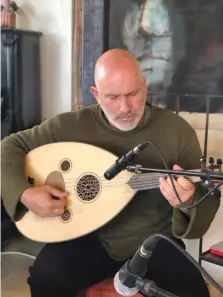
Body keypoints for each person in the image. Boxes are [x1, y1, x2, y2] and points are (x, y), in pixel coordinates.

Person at [1, 49, 220, 297]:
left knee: (194, 292)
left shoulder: (177, 132)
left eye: (132, 94)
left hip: (154, 242)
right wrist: (25, 192)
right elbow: (8, 147)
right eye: (112, 97)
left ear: (144, 85)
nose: (125, 107)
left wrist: (188, 200)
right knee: (45, 278)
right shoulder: (71, 125)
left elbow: (203, 198)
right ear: (95, 93)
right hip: (88, 237)